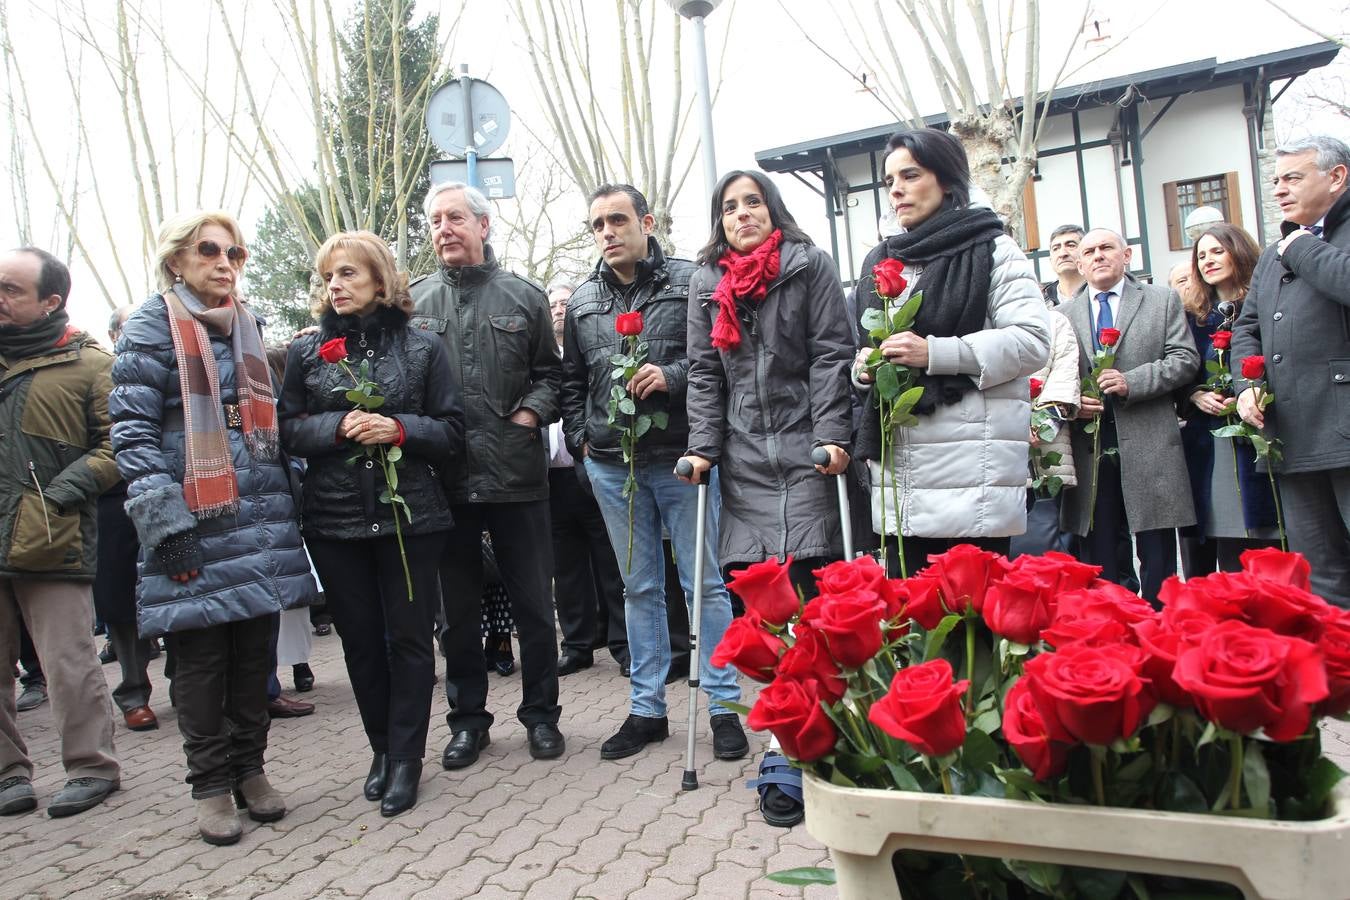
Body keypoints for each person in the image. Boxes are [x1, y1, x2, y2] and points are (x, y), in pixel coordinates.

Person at [111, 211, 318, 845]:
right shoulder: (150, 327)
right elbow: (133, 435)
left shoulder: (248, 324)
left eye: (235, 252)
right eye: (208, 250)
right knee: (199, 661)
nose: (224, 261)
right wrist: (164, 525)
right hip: (194, 516)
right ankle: (209, 785)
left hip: (259, 514)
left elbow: (272, 425)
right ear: (177, 260)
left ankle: (251, 770)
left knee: (254, 652)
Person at [281, 230, 463, 817]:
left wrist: (401, 429)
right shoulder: (305, 352)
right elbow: (285, 431)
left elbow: (454, 432)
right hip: (334, 521)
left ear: (381, 281)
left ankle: (408, 757)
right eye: (328, 276)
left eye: (348, 274)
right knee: (360, 643)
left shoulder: (423, 348)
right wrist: (334, 428)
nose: (334, 285)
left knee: (409, 640)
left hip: (412, 516)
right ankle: (381, 750)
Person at [566, 184, 746, 761]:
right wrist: (582, 442)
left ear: (646, 221)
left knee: (706, 585)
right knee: (638, 586)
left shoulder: (692, 281)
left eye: (617, 219)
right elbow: (571, 382)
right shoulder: (582, 300)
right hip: (612, 466)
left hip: (682, 459)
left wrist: (669, 374)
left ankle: (723, 707)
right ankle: (647, 709)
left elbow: (719, 360)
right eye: (596, 225)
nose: (607, 232)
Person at [410, 181, 564, 771]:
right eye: (434, 221)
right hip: (445, 481)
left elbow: (553, 374)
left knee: (533, 607)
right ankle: (468, 721)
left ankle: (541, 717)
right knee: (458, 613)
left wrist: (529, 413)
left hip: (516, 476)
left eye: (455, 218)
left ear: (484, 225)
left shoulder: (522, 297)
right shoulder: (415, 303)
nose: (443, 229)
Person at [847, 130, 1050, 569]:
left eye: (911, 175)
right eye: (889, 181)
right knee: (912, 629)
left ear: (947, 180)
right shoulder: (880, 259)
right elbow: (866, 346)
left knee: (970, 628)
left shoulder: (993, 248)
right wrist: (865, 367)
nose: (896, 189)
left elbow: (1034, 341)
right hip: (901, 475)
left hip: (971, 481)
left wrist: (934, 353)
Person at [679, 170, 855, 589]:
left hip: (810, 446)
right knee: (758, 597)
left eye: (753, 202)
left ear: (772, 209)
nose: (743, 214)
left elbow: (831, 353)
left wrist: (833, 436)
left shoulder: (809, 265)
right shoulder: (705, 282)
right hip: (745, 457)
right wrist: (702, 448)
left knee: (815, 585)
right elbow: (704, 372)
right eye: (730, 207)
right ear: (719, 221)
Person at [0, 247, 121, 819]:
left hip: (50, 534)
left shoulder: (90, 364)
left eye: (11, 290)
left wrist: (60, 494)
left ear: (51, 301)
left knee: (68, 660)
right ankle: (8, 775)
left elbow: (119, 443)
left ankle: (91, 765)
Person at [1232, 135, 1350, 605]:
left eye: (1293, 178)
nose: (1279, 190)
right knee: (1321, 575)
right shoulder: (1276, 250)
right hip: (1292, 435)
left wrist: (1300, 246)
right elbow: (1248, 329)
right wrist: (1247, 386)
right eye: (1276, 180)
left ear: (1337, 176)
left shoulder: (1295, 244)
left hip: (1344, 423)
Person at [1060, 228, 1199, 603]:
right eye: (1089, 251)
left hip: (1150, 440)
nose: (1098, 256)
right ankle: (1113, 626)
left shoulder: (1161, 300)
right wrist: (1072, 401)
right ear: (1080, 263)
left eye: (1107, 248)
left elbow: (1185, 359)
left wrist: (1132, 381)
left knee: (1157, 552)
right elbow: (1052, 375)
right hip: (1090, 445)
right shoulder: (1062, 314)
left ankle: (1161, 625)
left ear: (1127, 256)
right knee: (1101, 549)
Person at [1178, 224, 1280, 576]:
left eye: (1217, 251)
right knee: (1227, 537)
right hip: (1211, 440)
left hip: (1264, 432)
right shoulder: (1192, 317)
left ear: (1237, 250)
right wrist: (1195, 394)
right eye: (1201, 255)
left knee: (1270, 539)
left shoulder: (1269, 301)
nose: (1208, 261)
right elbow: (1183, 371)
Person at [547, 279, 628, 677]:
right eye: (554, 304)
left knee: (610, 562)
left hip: (592, 464)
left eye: (565, 302)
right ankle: (576, 645)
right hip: (551, 477)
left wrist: (584, 448)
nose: (560, 308)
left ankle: (623, 644)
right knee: (567, 569)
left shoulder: (593, 345)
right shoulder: (543, 356)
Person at [96, 305, 158, 732]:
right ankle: (134, 691)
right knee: (120, 597)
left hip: (165, 489)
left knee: (179, 582)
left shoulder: (165, 360)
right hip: (114, 498)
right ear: (115, 334)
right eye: (125, 327)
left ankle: (184, 682)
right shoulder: (103, 370)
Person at [1042, 224, 1085, 306]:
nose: (1062, 254)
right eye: (1056, 248)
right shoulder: (1040, 303)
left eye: (1071, 246)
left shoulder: (1100, 295)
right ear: (1050, 260)